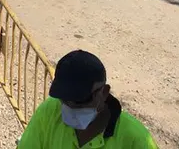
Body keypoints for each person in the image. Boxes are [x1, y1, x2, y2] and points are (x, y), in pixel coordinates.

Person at [18, 50, 158, 148]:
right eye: (65, 100)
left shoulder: (134, 139)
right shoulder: (50, 111)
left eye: (80, 101)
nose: (70, 109)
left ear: (104, 93)